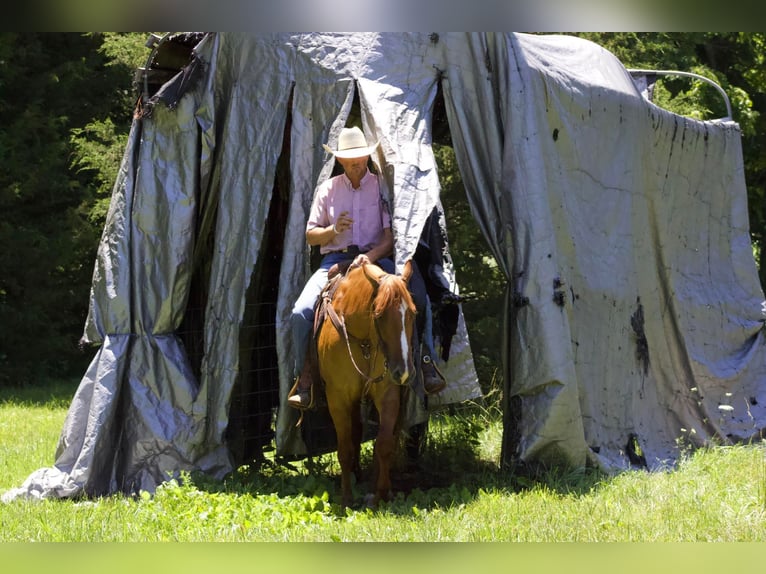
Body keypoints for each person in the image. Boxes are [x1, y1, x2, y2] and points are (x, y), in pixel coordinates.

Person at [288, 125, 446, 410]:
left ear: (367, 159)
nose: (356, 169)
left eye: (360, 163)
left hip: (378, 259)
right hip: (335, 261)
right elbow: (311, 234)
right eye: (350, 165)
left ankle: (425, 363)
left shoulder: (380, 186)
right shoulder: (328, 189)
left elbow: (389, 238)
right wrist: (333, 230)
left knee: (417, 297)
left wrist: (370, 257)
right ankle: (306, 377)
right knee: (301, 313)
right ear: (340, 162)